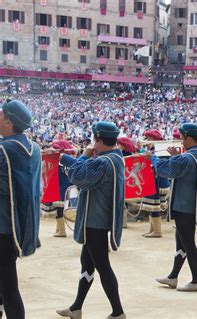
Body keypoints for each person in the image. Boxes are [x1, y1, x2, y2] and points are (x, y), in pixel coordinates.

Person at [56, 121, 126, 319]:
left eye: (94, 140)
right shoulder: (114, 158)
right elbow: (85, 168)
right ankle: (76, 307)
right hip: (97, 219)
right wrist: (65, 158)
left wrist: (84, 155)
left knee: (102, 265)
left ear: (99, 140)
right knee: (87, 264)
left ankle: (118, 312)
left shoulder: (102, 162)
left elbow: (79, 177)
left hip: (95, 221)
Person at [153, 123, 197, 292]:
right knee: (182, 243)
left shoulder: (188, 157)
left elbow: (166, 170)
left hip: (185, 206)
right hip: (191, 204)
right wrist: (175, 157)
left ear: (190, 138)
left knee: (188, 243)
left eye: (182, 138)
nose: (181, 141)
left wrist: (153, 158)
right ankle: (173, 276)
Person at [0, 99, 41, 319]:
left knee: (9, 287)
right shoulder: (33, 148)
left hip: (3, 227)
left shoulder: (4, 149)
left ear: (8, 121)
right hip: (18, 226)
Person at [140, 129, 170, 238]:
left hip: (158, 180)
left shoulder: (159, 150)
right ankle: (152, 229)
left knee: (155, 205)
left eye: (148, 138)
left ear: (153, 139)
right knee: (152, 206)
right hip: (152, 179)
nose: (146, 140)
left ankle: (157, 231)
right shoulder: (150, 149)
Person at [50, 139, 76, 237]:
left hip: (62, 187)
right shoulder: (72, 159)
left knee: (60, 209)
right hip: (70, 187)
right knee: (61, 209)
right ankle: (59, 229)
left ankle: (61, 231)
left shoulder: (60, 161)